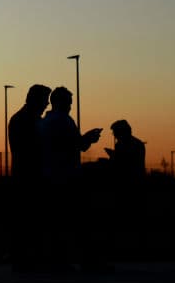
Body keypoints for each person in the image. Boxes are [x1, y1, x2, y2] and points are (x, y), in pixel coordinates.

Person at [39, 86, 103, 269]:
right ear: (60, 102)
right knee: (74, 219)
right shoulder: (63, 121)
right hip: (65, 176)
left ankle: (58, 259)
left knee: (57, 220)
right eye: (68, 103)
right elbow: (78, 144)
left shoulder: (45, 122)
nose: (70, 106)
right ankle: (83, 259)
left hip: (50, 175)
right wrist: (89, 138)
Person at [7, 84, 52, 270]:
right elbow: (30, 149)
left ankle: (25, 257)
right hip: (29, 176)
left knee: (26, 219)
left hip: (26, 175)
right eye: (45, 100)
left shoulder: (20, 118)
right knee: (29, 218)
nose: (46, 105)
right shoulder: (27, 120)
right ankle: (26, 258)